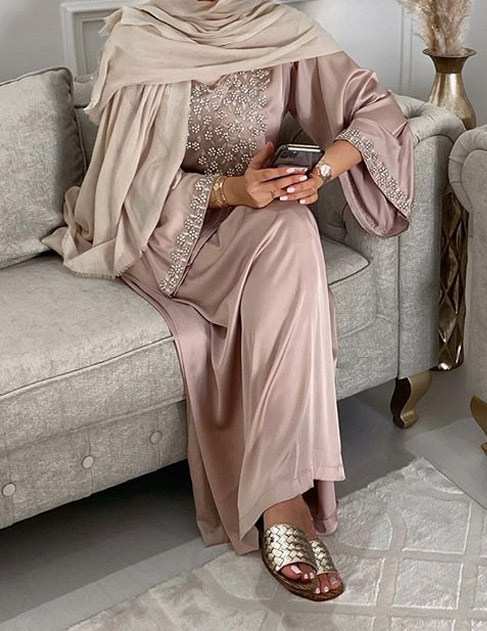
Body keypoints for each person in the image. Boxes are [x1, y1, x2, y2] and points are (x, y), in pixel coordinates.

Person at [41, 0, 414, 601]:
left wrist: (319, 172)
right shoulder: (141, 38)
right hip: (163, 228)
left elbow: (377, 112)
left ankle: (281, 494)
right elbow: (124, 185)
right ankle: (284, 504)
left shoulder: (278, 30)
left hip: (254, 218)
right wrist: (229, 190)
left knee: (294, 228)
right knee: (284, 239)